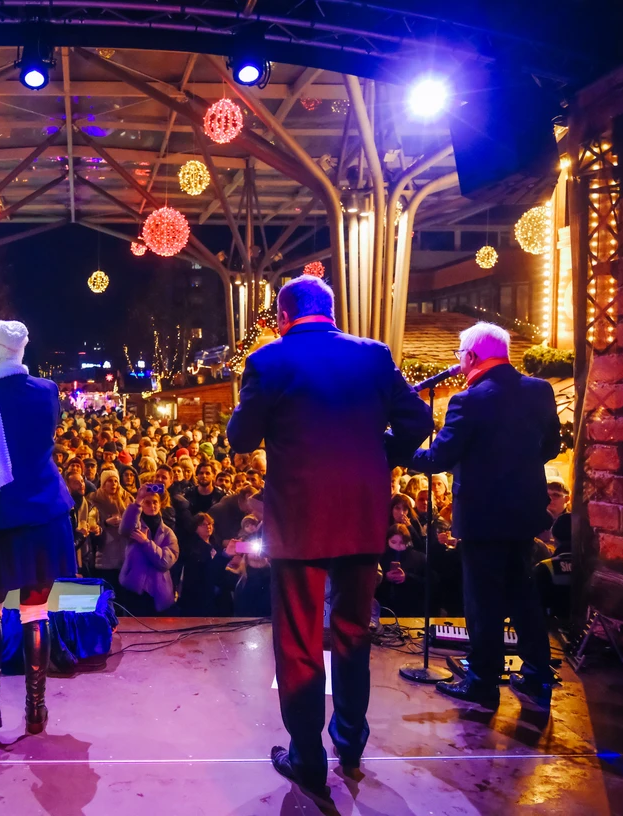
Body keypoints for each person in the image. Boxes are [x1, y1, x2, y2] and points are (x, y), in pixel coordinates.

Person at [226, 275, 432, 795]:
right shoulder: (374, 355)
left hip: (299, 519)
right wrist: (382, 453)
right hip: (361, 515)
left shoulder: (268, 360)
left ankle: (307, 757)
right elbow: (418, 420)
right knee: (353, 631)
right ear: (332, 312)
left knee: (299, 639)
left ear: (282, 317)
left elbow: (241, 437)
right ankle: (351, 742)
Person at [412, 321, 561, 710]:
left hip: (482, 515)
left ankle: (481, 682)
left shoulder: (469, 400)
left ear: (473, 355)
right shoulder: (539, 390)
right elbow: (550, 447)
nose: (459, 361)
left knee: (482, 601)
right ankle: (537, 677)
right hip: (524, 511)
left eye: (460, 354)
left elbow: (439, 457)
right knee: (522, 593)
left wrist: (397, 450)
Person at [0, 321, 76, 736]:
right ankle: (36, 710)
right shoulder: (47, 391)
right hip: (46, 514)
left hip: (0, 517)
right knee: (35, 609)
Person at [118, 484, 179, 615]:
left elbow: (165, 562)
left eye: (155, 502)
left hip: (158, 592)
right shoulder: (136, 528)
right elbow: (124, 528)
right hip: (134, 589)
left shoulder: (168, 533)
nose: (152, 506)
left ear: (160, 504)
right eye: (147, 502)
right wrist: (138, 501)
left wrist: (146, 543)